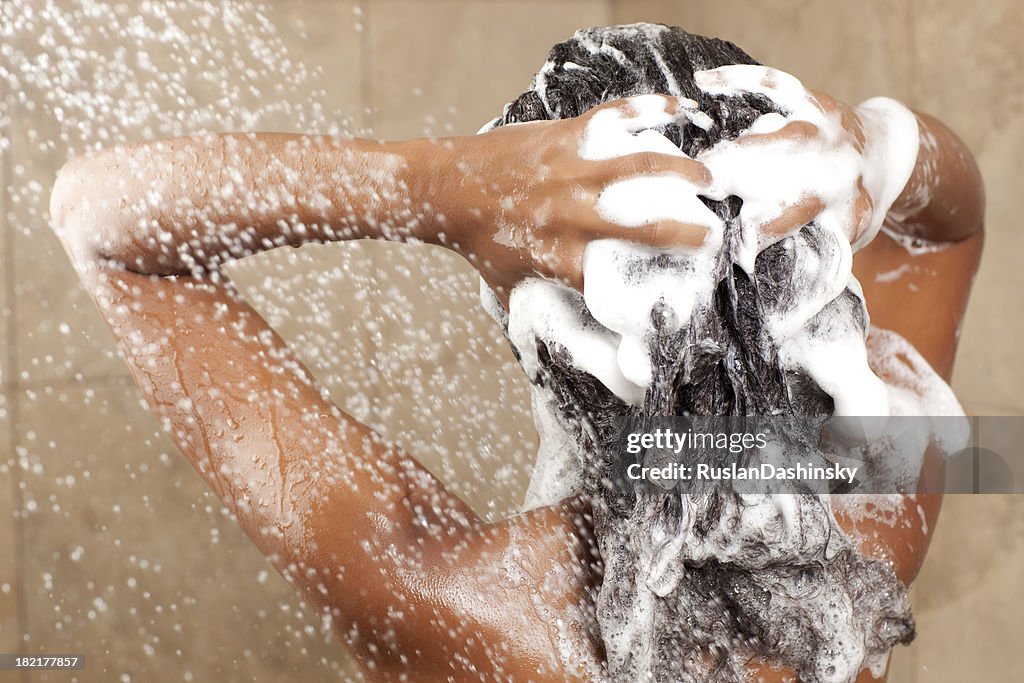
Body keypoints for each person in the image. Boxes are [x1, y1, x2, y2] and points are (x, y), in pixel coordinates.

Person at [49, 23, 983, 683]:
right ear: (808, 260)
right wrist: (870, 147)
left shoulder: (462, 610)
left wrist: (444, 187)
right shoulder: (887, 486)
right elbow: (947, 230)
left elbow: (97, 223)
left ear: (531, 307)